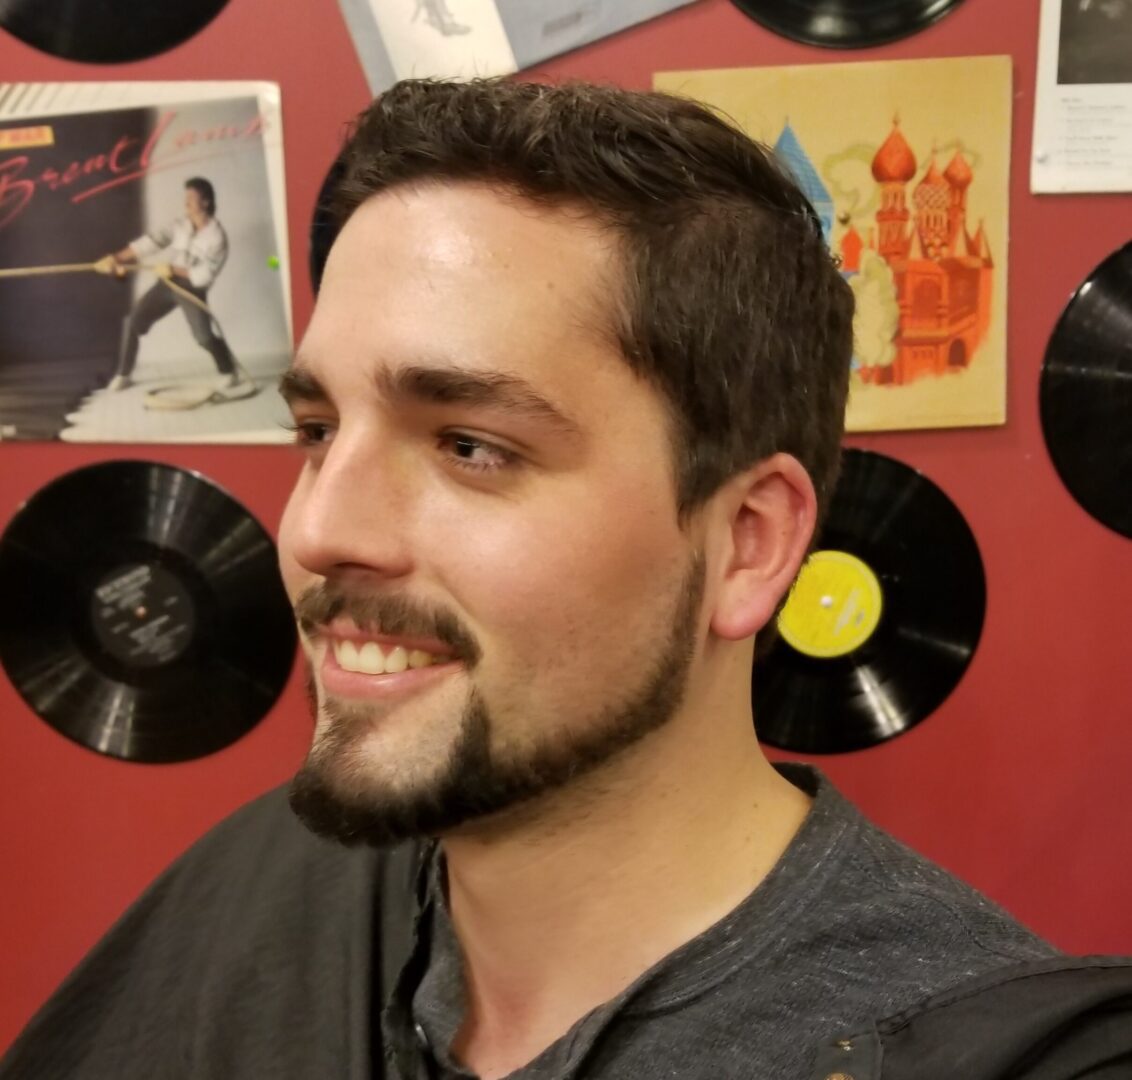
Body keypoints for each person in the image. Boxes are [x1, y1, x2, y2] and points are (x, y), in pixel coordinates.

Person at [3, 79, 1131, 1079]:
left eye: (468, 445)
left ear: (747, 543)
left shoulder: (990, 1051)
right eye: (316, 428)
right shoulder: (256, 892)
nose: (318, 528)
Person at [93, 176, 248, 393]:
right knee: (133, 322)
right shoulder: (180, 225)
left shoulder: (217, 237)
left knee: (203, 337)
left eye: (191, 198)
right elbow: (149, 243)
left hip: (192, 288)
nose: (186, 203)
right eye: (186, 197)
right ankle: (124, 374)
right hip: (167, 284)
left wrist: (173, 269)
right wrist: (116, 258)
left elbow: (205, 275)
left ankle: (229, 371)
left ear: (206, 202)